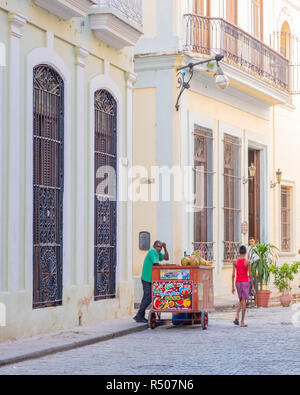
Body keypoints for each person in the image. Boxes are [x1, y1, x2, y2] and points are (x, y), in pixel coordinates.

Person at [134, 241, 169, 323]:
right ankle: (139, 315)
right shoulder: (152, 251)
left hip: (151, 279)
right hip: (146, 278)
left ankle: (139, 315)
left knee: (147, 297)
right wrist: (164, 266)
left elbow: (166, 258)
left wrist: (165, 248)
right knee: (148, 297)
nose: (159, 248)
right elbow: (156, 264)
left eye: (160, 247)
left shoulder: (157, 253)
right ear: (154, 246)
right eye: (158, 246)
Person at [232, 245, 255, 327]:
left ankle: (237, 316)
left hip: (238, 282)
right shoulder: (247, 262)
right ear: (245, 252)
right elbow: (250, 275)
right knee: (244, 301)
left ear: (239, 252)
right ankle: (242, 322)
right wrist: (252, 286)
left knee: (241, 299)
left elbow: (233, 275)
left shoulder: (235, 261)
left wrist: (232, 286)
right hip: (245, 282)